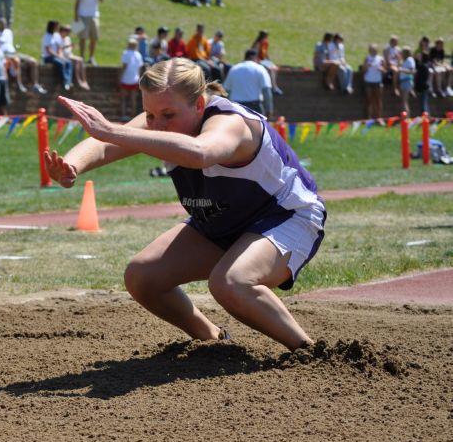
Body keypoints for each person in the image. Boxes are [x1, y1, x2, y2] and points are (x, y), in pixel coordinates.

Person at [44, 57, 325, 351]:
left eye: (168, 114)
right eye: (150, 115)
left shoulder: (230, 123)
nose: (158, 126)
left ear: (199, 105)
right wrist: (71, 166)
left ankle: (308, 351)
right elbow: (104, 145)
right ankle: (215, 342)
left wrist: (112, 130)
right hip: (223, 221)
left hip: (288, 217)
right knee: (142, 276)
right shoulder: (159, 122)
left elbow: (200, 153)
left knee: (230, 282)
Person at [0, 16, 46, 94]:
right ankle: (19, 84)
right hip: (4, 54)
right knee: (17, 61)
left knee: (33, 62)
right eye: (2, 24)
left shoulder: (8, 32)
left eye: (4, 24)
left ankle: (35, 85)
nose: (4, 26)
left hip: (13, 53)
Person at [223, 48, 272, 117]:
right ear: (255, 57)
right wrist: (269, 108)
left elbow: (226, 90)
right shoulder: (260, 69)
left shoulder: (234, 69)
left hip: (236, 107)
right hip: (254, 107)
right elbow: (266, 90)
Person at [74, 0, 105, 65]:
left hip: (94, 15)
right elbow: (77, 2)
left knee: (94, 38)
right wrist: (76, 16)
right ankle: (82, 57)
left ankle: (91, 57)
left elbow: (102, 0)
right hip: (83, 15)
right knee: (83, 38)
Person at [41, 19, 72, 91]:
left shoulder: (57, 36)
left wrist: (60, 55)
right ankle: (64, 82)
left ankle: (68, 82)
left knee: (68, 62)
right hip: (48, 57)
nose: (58, 27)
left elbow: (59, 48)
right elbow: (48, 50)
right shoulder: (46, 36)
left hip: (56, 56)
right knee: (61, 63)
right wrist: (57, 56)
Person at [118, 37, 143, 121]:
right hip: (135, 79)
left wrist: (120, 77)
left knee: (123, 98)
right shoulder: (138, 54)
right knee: (133, 99)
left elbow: (124, 66)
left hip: (126, 78)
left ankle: (123, 115)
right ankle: (132, 116)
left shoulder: (126, 53)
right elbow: (139, 69)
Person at [251, 30, 282, 95]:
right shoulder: (257, 43)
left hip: (263, 60)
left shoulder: (265, 43)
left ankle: (273, 85)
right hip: (258, 60)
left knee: (274, 68)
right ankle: (273, 88)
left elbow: (265, 53)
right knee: (270, 70)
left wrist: (269, 60)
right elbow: (254, 54)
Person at [60, 24, 89, 90]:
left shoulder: (68, 38)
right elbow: (60, 49)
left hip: (69, 54)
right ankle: (79, 81)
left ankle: (84, 80)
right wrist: (68, 46)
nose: (68, 32)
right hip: (64, 56)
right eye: (67, 31)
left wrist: (72, 47)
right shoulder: (59, 38)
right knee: (78, 61)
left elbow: (69, 50)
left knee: (80, 60)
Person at [362, 43, 385, 120]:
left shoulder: (380, 59)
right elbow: (363, 70)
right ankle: (369, 117)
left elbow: (384, 70)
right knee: (369, 100)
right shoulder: (367, 58)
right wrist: (366, 66)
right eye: (371, 50)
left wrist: (380, 69)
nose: (372, 51)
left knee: (378, 100)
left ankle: (379, 117)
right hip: (368, 81)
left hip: (377, 81)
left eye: (374, 50)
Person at [398, 46, 415, 117]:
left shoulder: (410, 60)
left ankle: (407, 119)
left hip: (407, 81)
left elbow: (412, 71)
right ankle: (405, 118)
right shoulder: (406, 60)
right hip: (404, 81)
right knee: (403, 101)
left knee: (405, 102)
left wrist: (401, 70)